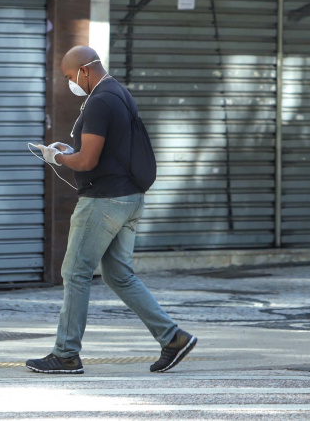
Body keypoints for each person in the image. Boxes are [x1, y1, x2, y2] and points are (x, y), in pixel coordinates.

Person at [26, 45, 197, 375]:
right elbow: (103, 152)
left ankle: (65, 355)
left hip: (104, 201)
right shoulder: (118, 92)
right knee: (118, 275)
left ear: (84, 71)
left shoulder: (100, 101)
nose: (69, 84)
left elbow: (88, 161)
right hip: (129, 198)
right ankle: (173, 337)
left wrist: (57, 157)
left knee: (75, 272)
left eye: (68, 77)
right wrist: (68, 150)